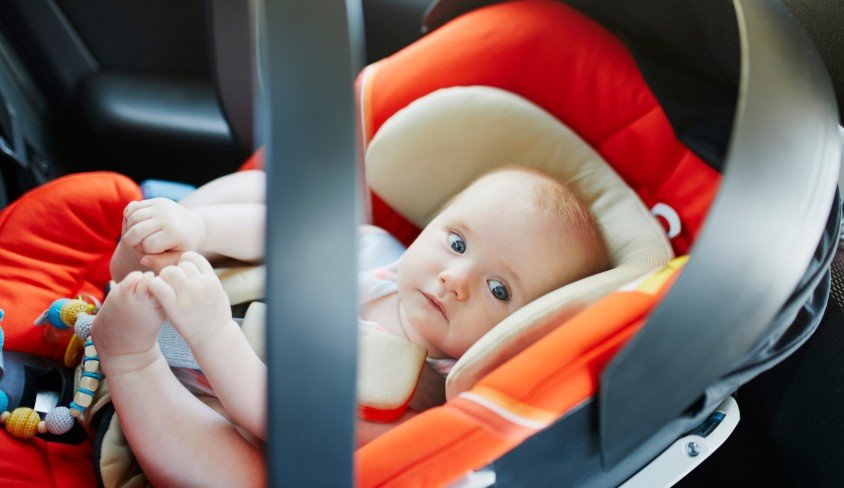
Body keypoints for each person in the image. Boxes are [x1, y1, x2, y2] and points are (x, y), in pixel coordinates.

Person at [91, 166, 611, 486]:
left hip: (204, 410)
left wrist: (209, 334)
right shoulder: (379, 254)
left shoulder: (425, 396)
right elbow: (287, 234)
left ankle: (128, 360)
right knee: (275, 195)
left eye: (499, 290)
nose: (456, 279)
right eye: (456, 242)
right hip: (211, 296)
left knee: (245, 480)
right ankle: (147, 253)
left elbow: (288, 426)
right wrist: (200, 230)